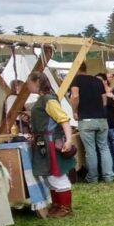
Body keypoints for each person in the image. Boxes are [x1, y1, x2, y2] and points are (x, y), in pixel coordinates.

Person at [27, 71, 76, 217]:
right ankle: (57, 205)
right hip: (44, 142)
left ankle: (65, 207)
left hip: (51, 142)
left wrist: (68, 140)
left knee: (56, 174)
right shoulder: (43, 99)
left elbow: (63, 119)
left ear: (37, 82)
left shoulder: (48, 100)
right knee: (50, 174)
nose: (28, 86)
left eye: (29, 83)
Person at [70, 62, 114, 183]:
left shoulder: (76, 81)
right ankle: (108, 176)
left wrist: (74, 111)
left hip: (86, 120)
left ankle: (93, 178)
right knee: (104, 147)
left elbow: (74, 96)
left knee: (90, 150)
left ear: (76, 68)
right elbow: (104, 100)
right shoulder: (97, 81)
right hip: (102, 119)